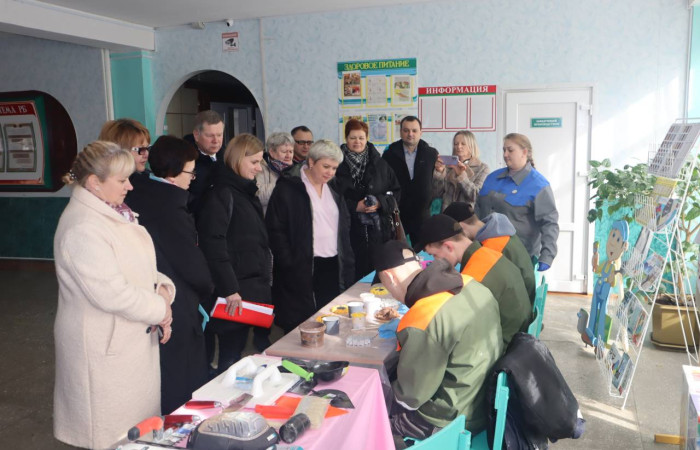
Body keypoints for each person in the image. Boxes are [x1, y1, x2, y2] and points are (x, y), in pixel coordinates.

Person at [53, 141, 175, 449]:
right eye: (122, 180)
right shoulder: (83, 227)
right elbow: (111, 293)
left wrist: (162, 288)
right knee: (112, 436)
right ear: (95, 182)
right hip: (103, 349)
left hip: (125, 339)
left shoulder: (114, 213)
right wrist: (160, 308)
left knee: (136, 433)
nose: (130, 186)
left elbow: (138, 268)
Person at [374, 240, 502, 444]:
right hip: (483, 398)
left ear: (389, 277)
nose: (394, 296)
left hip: (452, 419)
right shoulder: (471, 284)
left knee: (373, 417)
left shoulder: (423, 317)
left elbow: (410, 398)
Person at [126, 135, 214, 414]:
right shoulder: (169, 206)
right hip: (177, 298)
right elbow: (189, 262)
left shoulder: (144, 193)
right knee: (183, 377)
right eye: (190, 172)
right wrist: (208, 287)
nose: (193, 179)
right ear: (173, 175)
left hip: (159, 293)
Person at [196, 133, 272, 374]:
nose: (259, 169)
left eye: (260, 162)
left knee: (237, 351)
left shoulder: (244, 191)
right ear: (238, 158)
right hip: (233, 291)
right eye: (254, 162)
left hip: (248, 286)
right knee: (230, 355)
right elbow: (213, 245)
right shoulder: (222, 193)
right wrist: (229, 289)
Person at [266, 140, 355, 332]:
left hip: (333, 264)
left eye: (334, 168)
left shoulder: (334, 188)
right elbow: (274, 229)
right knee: (302, 326)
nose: (330, 172)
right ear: (311, 162)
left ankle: (330, 349)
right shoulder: (289, 188)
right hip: (302, 265)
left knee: (331, 321)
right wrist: (288, 261)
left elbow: (344, 226)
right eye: (326, 166)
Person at [419, 214, 531, 345]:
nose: (435, 260)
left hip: (506, 345)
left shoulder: (474, 275)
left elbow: (458, 323)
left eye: (434, 255)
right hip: (518, 335)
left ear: (449, 247)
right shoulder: (488, 253)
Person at [477, 133, 559, 271]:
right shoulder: (492, 178)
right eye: (504, 150)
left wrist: (547, 255)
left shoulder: (538, 185)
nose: (505, 154)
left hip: (517, 257)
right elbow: (477, 211)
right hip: (485, 253)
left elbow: (549, 223)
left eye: (510, 150)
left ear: (524, 152)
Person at [332, 119, 401, 279]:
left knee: (378, 276)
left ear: (367, 138)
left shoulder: (381, 164)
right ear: (346, 139)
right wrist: (353, 206)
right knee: (351, 276)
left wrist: (379, 203)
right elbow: (331, 197)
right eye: (352, 138)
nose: (357, 141)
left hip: (378, 233)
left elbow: (396, 193)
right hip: (347, 231)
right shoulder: (336, 165)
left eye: (361, 138)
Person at [444, 201, 535, 304]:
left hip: (519, 300)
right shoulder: (498, 230)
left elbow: (472, 287)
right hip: (524, 294)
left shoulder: (492, 246)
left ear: (461, 227)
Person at [382, 116, 438, 245]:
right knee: (397, 251)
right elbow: (384, 181)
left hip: (422, 213)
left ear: (421, 132)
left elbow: (438, 181)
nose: (410, 134)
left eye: (414, 130)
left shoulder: (431, 154)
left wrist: (441, 171)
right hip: (397, 212)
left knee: (423, 250)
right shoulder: (390, 154)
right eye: (406, 130)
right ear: (400, 132)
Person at [432, 130, 489, 211]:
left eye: (463, 144)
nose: (458, 147)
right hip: (447, 214)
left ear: (471, 145)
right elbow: (436, 194)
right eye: (456, 144)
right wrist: (439, 173)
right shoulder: (448, 166)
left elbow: (477, 196)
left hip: (468, 215)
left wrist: (461, 176)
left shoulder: (482, 168)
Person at [188, 110, 225, 215]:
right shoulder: (185, 161)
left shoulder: (229, 158)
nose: (216, 140)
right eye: (210, 136)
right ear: (196, 135)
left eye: (219, 135)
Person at [98, 118, 151, 192]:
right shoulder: (107, 187)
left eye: (148, 148)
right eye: (141, 149)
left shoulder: (148, 177)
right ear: (119, 150)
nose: (147, 154)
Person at [256, 131, 295, 215]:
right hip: (269, 220)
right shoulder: (260, 168)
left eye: (291, 151)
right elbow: (258, 195)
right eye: (284, 152)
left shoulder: (297, 170)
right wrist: (283, 184)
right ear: (272, 152)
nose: (288, 156)